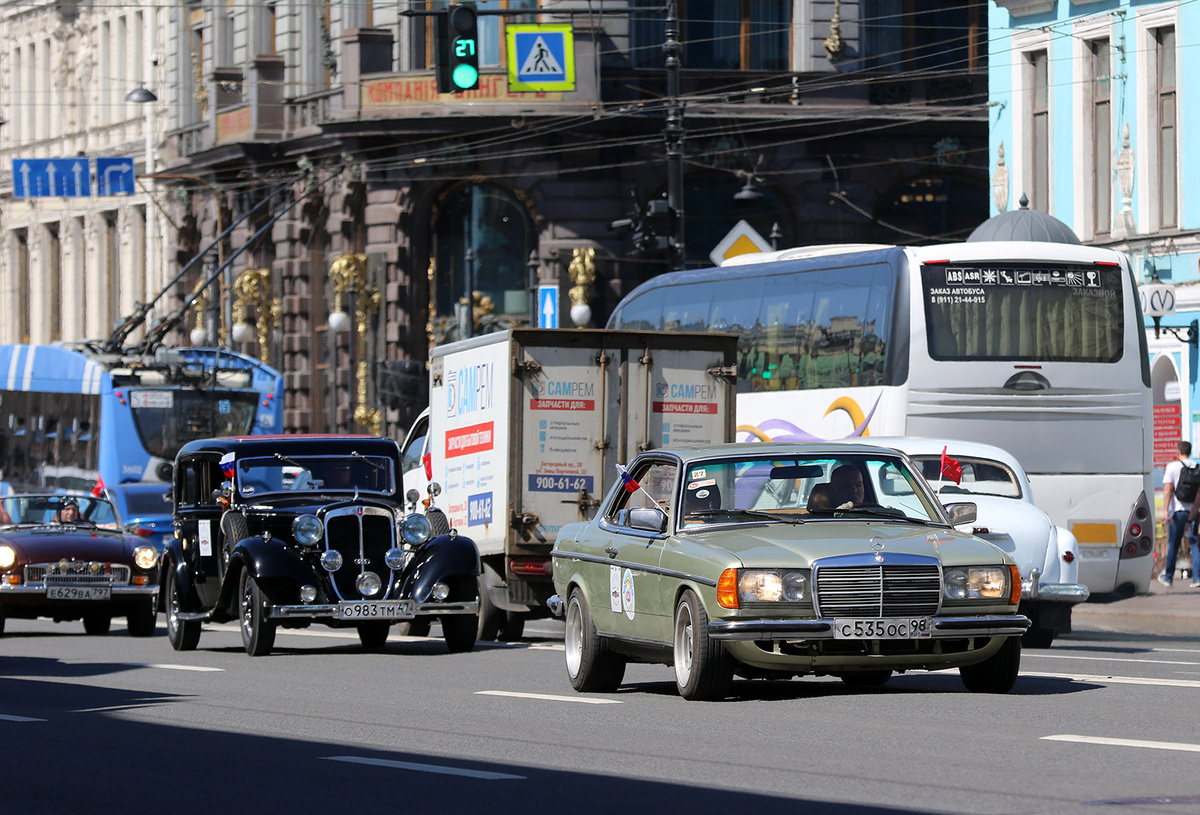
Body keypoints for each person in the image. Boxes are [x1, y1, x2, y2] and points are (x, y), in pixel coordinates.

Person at [1161, 441, 1199, 587]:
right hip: (1194, 512)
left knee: (1174, 544)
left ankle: (1168, 577)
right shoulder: (1197, 468)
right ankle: (1197, 578)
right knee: (1195, 544)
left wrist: (1165, 510)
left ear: (1178, 451)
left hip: (1178, 512)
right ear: (1189, 451)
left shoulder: (1172, 467)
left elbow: (1168, 489)